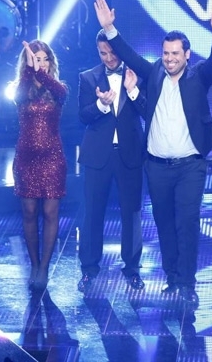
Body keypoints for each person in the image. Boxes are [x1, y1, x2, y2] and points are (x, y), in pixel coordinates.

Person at [93, 0, 212, 306]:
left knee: (187, 222)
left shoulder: (199, 76)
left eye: (175, 54)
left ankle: (187, 282)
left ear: (187, 55)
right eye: (166, 53)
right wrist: (110, 29)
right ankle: (172, 278)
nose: (169, 59)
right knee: (164, 223)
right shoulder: (154, 72)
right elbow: (129, 55)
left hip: (190, 166)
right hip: (156, 166)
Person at [76, 28, 147, 292]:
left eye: (112, 52)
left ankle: (132, 269)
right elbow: (82, 115)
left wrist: (132, 90)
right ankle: (89, 268)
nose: (108, 58)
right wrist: (101, 105)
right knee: (92, 213)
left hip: (130, 154)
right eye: (103, 53)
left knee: (132, 213)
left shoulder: (137, 75)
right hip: (98, 156)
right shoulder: (88, 77)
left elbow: (149, 111)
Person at [12, 40, 68, 291]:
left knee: (50, 213)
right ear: (27, 63)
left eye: (46, 59)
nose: (42, 64)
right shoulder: (21, 88)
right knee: (29, 212)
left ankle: (44, 267)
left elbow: (60, 92)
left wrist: (38, 72)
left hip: (52, 159)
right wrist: (29, 71)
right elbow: (19, 95)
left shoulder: (57, 89)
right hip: (26, 160)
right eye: (37, 59)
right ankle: (34, 264)